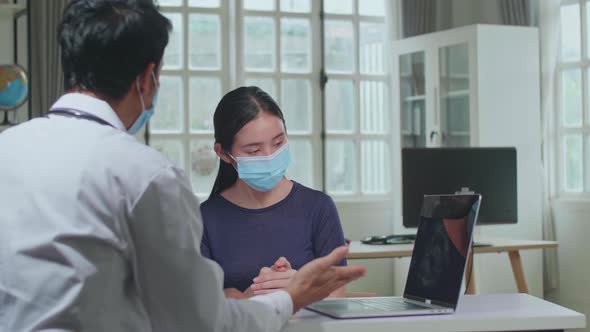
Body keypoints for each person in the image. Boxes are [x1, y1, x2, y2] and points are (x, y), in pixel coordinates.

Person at [0, 1, 365, 331]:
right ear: (147, 77)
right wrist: (289, 297)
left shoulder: (7, 148)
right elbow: (201, 321)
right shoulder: (144, 174)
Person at [200, 86, 348, 299]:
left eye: (278, 142)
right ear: (223, 153)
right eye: (254, 150)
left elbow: (338, 293)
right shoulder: (204, 219)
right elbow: (200, 303)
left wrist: (300, 286)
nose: (270, 156)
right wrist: (249, 300)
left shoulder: (318, 207)